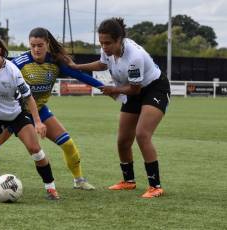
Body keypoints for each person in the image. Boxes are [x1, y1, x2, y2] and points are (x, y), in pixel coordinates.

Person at [0, 27, 104, 191]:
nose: (36, 49)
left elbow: (80, 76)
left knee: (68, 144)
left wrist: (104, 88)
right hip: (18, 111)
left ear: (47, 44)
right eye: (33, 45)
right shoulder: (20, 63)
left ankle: (79, 180)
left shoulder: (55, 61)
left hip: (40, 110)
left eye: (40, 45)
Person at [66, 18, 170, 198]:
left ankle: (155, 186)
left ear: (119, 39)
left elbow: (135, 89)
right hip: (133, 90)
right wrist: (77, 67)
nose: (104, 47)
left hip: (155, 88)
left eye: (108, 43)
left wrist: (113, 89)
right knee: (123, 140)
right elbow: (102, 64)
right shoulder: (107, 49)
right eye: (101, 43)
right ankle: (128, 181)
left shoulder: (134, 57)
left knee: (142, 134)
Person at [0, 34, 60, 200]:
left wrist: (38, 122)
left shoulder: (13, 72)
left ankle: (50, 187)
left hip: (17, 115)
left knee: (35, 150)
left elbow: (29, 97)